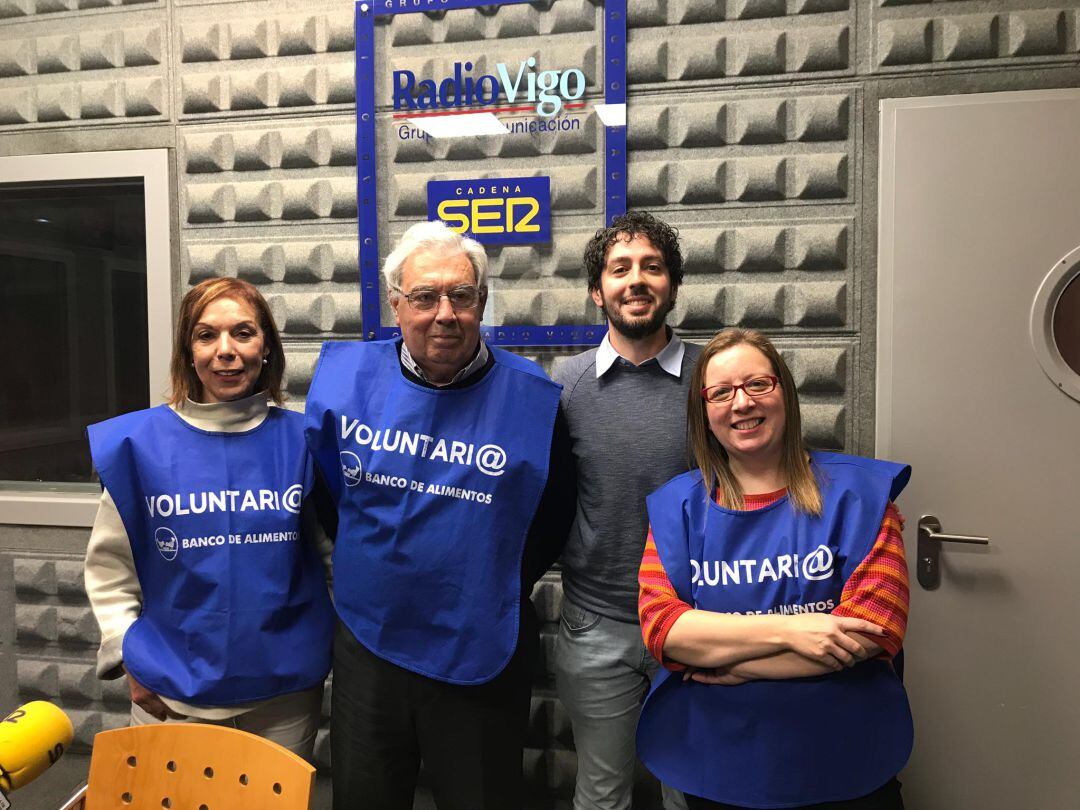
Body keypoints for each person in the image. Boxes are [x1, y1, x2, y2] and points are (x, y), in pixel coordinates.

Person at [304, 220, 575, 810]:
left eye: (462, 295)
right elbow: (327, 493)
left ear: (482, 303)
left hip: (480, 643)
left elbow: (552, 517)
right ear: (396, 306)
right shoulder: (348, 384)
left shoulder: (532, 398)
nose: (444, 312)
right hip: (368, 639)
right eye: (424, 296)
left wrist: (487, 581)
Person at [636, 327, 913, 810]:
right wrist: (793, 631)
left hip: (844, 754)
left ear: (784, 391)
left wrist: (736, 664)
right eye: (720, 392)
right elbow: (663, 627)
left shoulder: (860, 495)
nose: (741, 403)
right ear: (704, 413)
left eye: (757, 384)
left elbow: (876, 628)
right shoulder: (676, 507)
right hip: (721, 759)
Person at [84, 278, 335, 760]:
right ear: (188, 350)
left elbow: (333, 562)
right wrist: (127, 658)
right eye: (207, 335)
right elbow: (111, 571)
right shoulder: (137, 446)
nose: (226, 351)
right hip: (169, 695)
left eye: (243, 333)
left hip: (283, 698)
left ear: (266, 348)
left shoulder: (305, 443)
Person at [553, 211, 694, 810]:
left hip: (696, 623)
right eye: (620, 269)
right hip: (596, 625)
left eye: (652, 267)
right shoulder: (565, 384)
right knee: (602, 793)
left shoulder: (714, 379)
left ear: (672, 285)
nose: (636, 280)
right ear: (597, 290)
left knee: (691, 791)